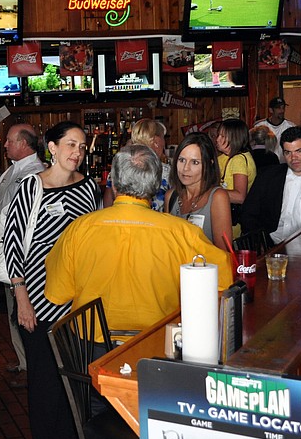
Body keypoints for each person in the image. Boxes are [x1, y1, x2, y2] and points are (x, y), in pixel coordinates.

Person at [46, 144, 233, 336]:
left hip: (91, 347)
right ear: (155, 186)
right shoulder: (183, 233)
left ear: (115, 185)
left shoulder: (79, 229)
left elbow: (57, 292)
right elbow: (225, 278)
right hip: (157, 343)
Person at [5, 121, 100, 439]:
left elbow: (91, 243)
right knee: (45, 390)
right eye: (71, 144)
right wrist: (22, 297)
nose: (77, 151)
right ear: (52, 148)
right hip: (38, 301)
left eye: (82, 146)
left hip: (75, 303)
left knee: (74, 388)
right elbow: (14, 244)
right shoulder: (31, 187)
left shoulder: (88, 188)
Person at [0, 123, 44, 388]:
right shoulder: (13, 170)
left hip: (21, 257)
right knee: (13, 312)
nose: (5, 145)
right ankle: (24, 362)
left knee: (22, 310)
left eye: (10, 140)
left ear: (24, 144)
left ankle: (31, 367)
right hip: (5, 252)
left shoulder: (35, 175)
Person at [165, 133, 233, 251]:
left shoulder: (217, 197)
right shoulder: (171, 196)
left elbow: (224, 253)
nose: (186, 168)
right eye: (182, 160)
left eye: (195, 162)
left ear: (209, 163)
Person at [215, 118, 257, 237]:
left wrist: (211, 191)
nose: (217, 139)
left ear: (234, 138)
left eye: (222, 136)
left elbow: (240, 196)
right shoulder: (225, 157)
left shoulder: (238, 160)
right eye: (218, 135)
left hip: (233, 223)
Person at [130, 118, 169, 211]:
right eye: (163, 138)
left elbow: (108, 204)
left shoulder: (121, 168)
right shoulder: (167, 172)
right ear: (156, 142)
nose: (164, 142)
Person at [254, 97, 296, 162]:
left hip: (284, 165)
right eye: (278, 108)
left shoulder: (290, 126)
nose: (282, 111)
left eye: (283, 108)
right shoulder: (260, 126)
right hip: (266, 164)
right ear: (271, 110)